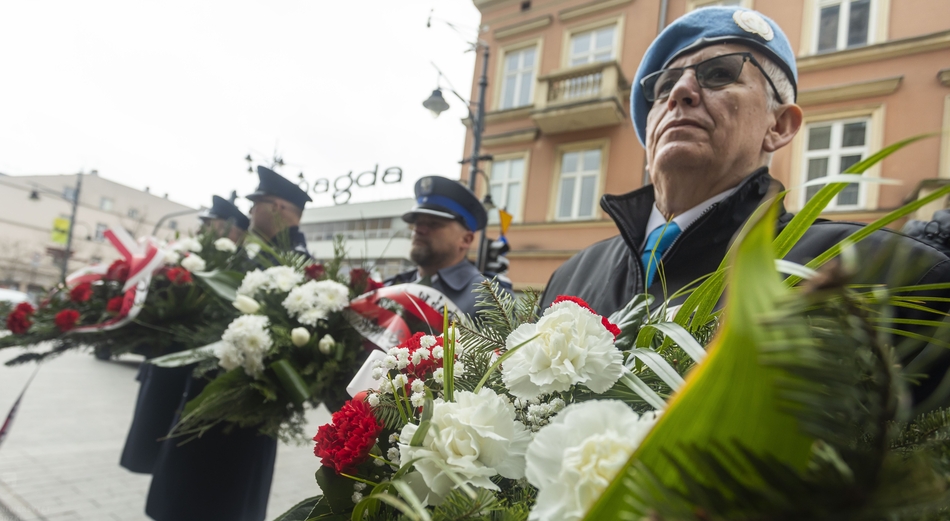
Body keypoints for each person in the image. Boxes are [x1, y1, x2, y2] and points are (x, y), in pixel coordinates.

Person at [541, 7, 950, 407]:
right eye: (663, 87)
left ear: (779, 126)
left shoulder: (888, 277)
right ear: (648, 130)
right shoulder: (570, 278)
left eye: (719, 73)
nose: (680, 92)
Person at [145, 169, 312, 521]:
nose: (249, 212)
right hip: (210, 398)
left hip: (240, 416)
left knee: (220, 504)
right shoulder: (256, 254)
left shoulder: (296, 263)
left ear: (277, 208)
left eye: (257, 204)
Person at [119, 195, 251, 474]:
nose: (202, 229)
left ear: (235, 231)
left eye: (211, 224)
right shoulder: (188, 257)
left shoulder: (241, 267)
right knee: (152, 441)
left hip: (197, 372)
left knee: (175, 458)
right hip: (167, 363)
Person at [386, 176, 491, 316]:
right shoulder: (391, 286)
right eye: (418, 223)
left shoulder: (487, 299)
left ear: (466, 240)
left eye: (434, 224)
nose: (419, 230)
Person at [246, 165, 311, 257]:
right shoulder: (273, 254)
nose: (250, 211)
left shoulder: (293, 259)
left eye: (255, 204)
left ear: (275, 207)